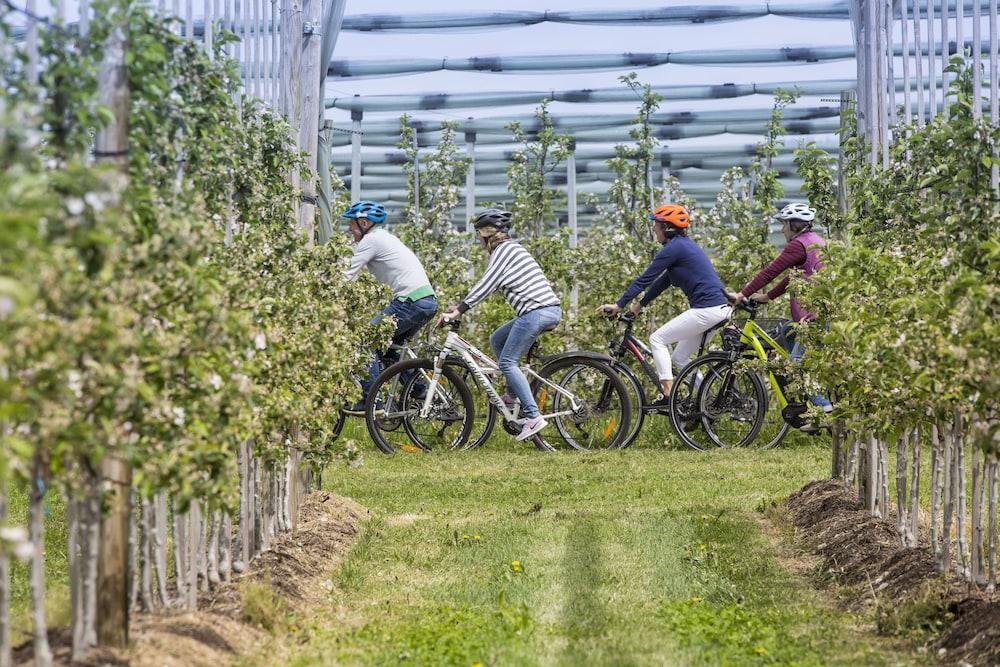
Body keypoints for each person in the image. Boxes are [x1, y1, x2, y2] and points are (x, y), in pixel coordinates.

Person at [439, 209, 562, 442]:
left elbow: (487, 283)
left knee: (507, 362)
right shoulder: (511, 249)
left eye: (478, 234)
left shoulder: (504, 251)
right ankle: (512, 396)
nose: (477, 239)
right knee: (497, 339)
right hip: (541, 311)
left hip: (537, 312)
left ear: (487, 233)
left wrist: (458, 310)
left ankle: (533, 416)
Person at [598, 204, 731, 409]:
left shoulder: (674, 248)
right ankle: (708, 398)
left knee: (657, 339)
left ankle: (668, 393)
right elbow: (663, 281)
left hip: (707, 309)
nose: (654, 229)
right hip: (717, 309)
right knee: (679, 357)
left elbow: (645, 279)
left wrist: (618, 304)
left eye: (657, 225)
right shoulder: (682, 247)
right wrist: (639, 305)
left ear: (667, 228)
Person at [724, 202, 833, 417]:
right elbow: (794, 277)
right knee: (786, 331)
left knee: (795, 367)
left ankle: (825, 409)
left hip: (811, 319)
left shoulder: (797, 245)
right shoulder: (816, 241)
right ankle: (803, 405)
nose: (782, 230)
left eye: (784, 225)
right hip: (818, 316)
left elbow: (769, 272)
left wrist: (741, 295)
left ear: (795, 225)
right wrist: (767, 296)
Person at [342, 200, 438, 410]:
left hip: (410, 301)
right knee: (388, 350)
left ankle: (371, 401)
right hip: (426, 301)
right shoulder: (384, 238)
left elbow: (347, 275)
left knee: (366, 341)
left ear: (364, 223)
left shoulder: (371, 240)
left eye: (351, 224)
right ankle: (419, 390)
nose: (349, 229)